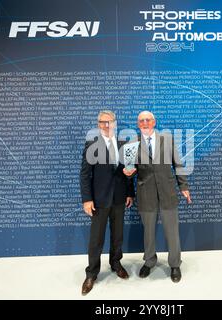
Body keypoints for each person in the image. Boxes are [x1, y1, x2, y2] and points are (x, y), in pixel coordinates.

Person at [123, 111, 191, 283]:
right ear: (138, 124)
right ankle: (149, 261)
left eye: (148, 120)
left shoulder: (167, 140)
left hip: (167, 192)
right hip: (146, 193)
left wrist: (183, 186)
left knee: (172, 231)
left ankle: (175, 265)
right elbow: (129, 172)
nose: (144, 123)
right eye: (141, 121)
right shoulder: (132, 144)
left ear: (154, 122)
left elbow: (178, 164)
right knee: (149, 232)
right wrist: (128, 178)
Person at [79, 110, 135, 295]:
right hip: (99, 201)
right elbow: (85, 175)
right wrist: (87, 199)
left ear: (115, 123)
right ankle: (92, 273)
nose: (106, 125)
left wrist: (129, 193)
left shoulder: (125, 145)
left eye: (109, 122)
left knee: (117, 235)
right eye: (102, 122)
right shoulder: (91, 145)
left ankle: (116, 263)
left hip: (119, 199)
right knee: (96, 239)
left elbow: (128, 174)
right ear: (98, 124)